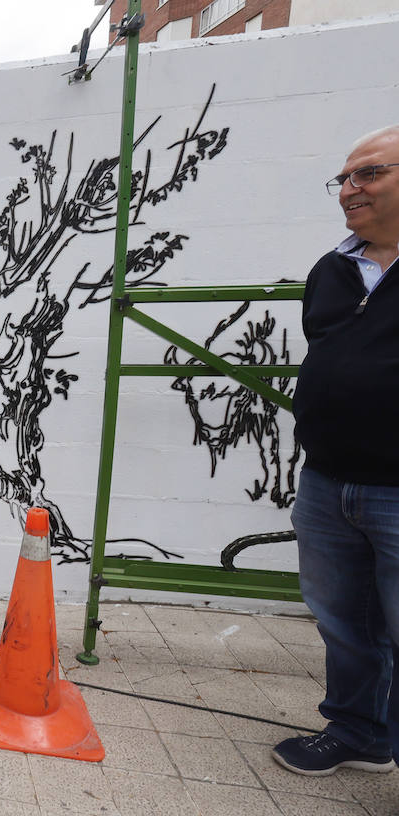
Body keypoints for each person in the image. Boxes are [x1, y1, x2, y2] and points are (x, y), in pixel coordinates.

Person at [278, 124, 399, 776]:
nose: (350, 190)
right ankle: (359, 732)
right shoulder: (333, 269)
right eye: (345, 179)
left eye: (370, 174)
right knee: (344, 623)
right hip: (327, 482)